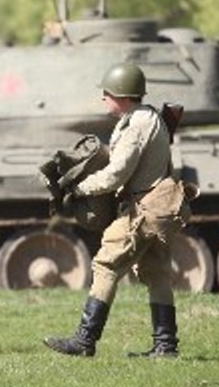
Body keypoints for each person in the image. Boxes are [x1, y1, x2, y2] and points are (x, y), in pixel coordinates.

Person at [44, 63, 187, 358]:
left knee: (106, 265)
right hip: (161, 205)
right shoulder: (148, 117)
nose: (103, 98)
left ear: (121, 95)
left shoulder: (136, 126)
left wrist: (80, 188)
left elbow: (116, 174)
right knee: (156, 273)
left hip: (144, 208)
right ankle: (166, 346)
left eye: (107, 93)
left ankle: (84, 342)